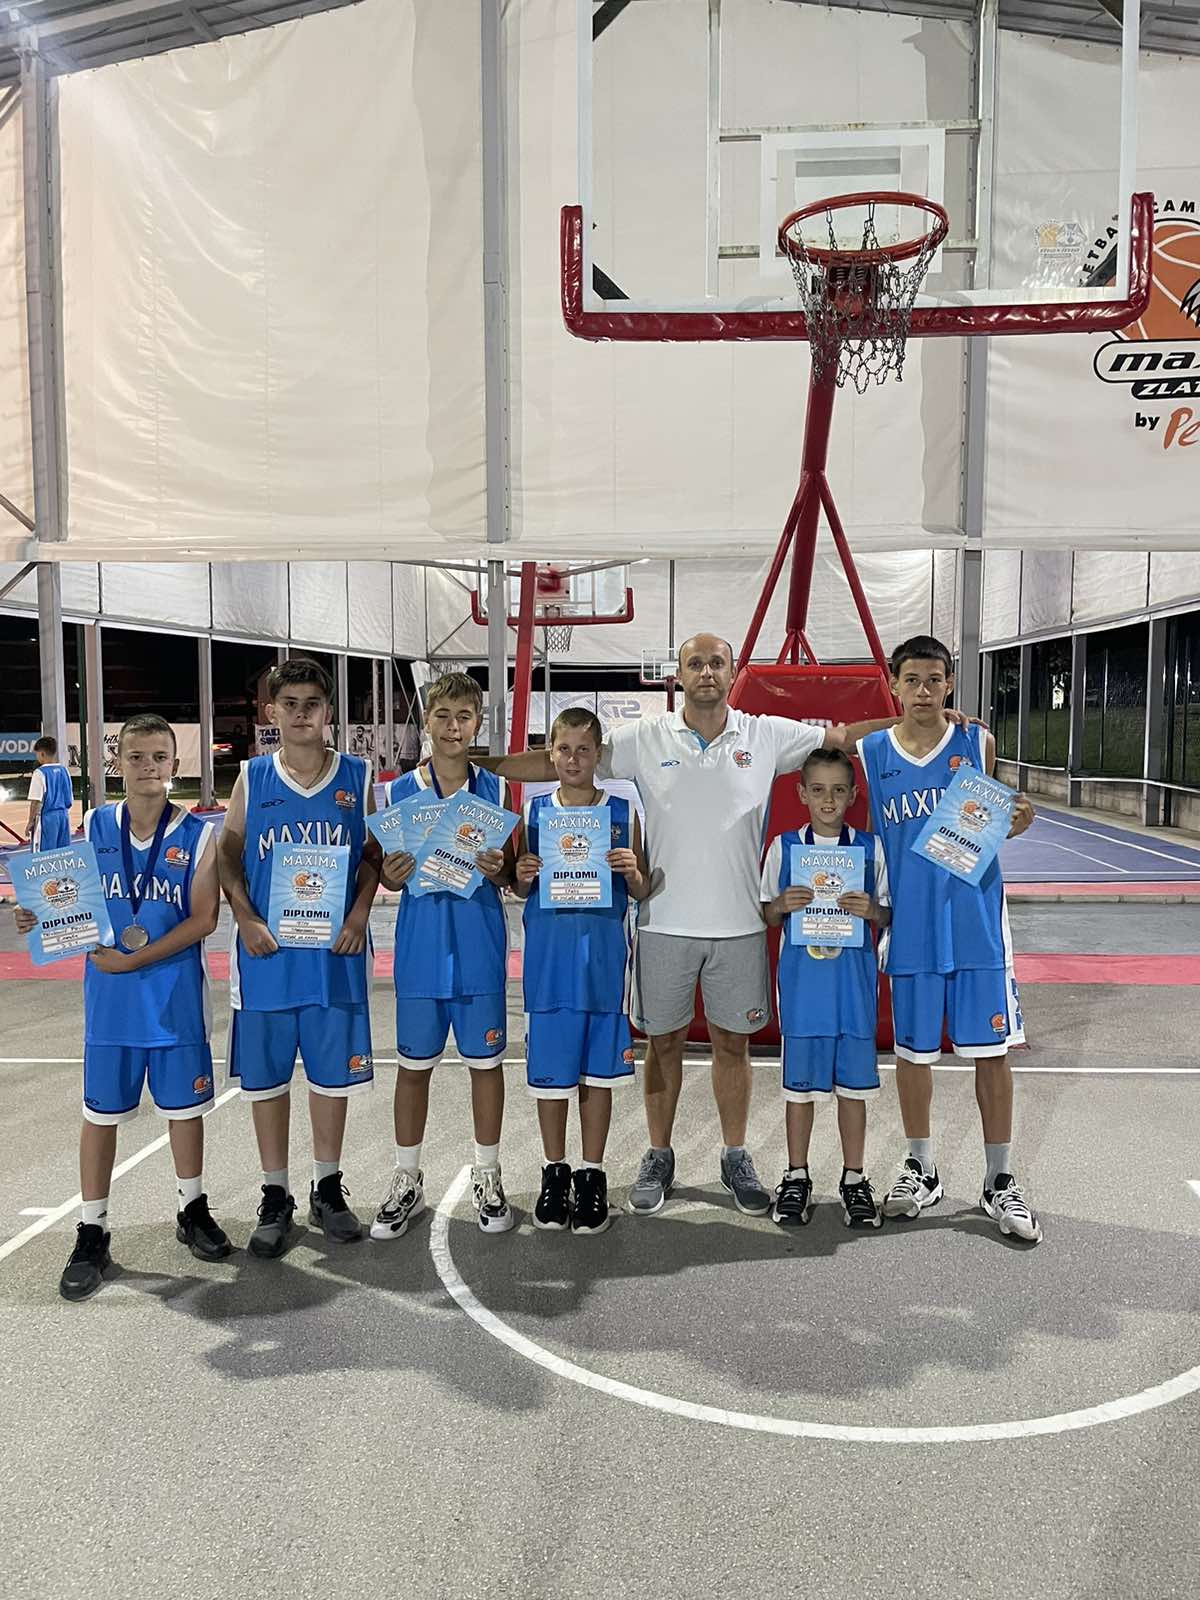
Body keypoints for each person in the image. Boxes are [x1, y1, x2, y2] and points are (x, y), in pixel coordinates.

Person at [480, 632, 945, 1218]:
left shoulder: (764, 733)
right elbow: (557, 760)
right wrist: (473, 763)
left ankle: (734, 1155)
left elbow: (843, 737)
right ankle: (659, 1154)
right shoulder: (645, 737)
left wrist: (920, 720)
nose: (706, 672)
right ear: (678, 674)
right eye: (695, 663)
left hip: (739, 926)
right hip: (663, 923)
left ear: (732, 671)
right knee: (664, 1045)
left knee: (732, 1044)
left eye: (716, 663)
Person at [16, 715, 228, 1300]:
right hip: (109, 1005)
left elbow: (203, 919)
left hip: (174, 1000)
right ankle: (93, 1230)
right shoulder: (93, 825)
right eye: (136, 757)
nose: (148, 767)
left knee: (185, 1112)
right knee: (101, 1117)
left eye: (159, 757)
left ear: (174, 765)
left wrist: (135, 961)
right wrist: (36, 912)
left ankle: (191, 1209)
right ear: (118, 764)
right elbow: (66, 899)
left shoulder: (197, 834)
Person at [857, 635, 1042, 1243]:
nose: (923, 691)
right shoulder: (873, 750)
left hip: (975, 924)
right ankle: (922, 1167)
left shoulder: (976, 742)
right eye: (911, 680)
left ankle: (999, 1179)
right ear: (894, 684)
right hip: (910, 926)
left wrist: (1018, 822)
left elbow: (994, 823)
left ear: (950, 683)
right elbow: (830, 739)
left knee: (993, 1052)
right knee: (913, 1056)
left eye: (934, 680)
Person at [218, 657, 380, 1258]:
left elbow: (373, 856)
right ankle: (275, 1193)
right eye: (290, 704)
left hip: (334, 955)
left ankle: (327, 1187)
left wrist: (359, 914)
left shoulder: (358, 776)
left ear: (328, 710)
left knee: (331, 1078)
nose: (302, 713)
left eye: (312, 703)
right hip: (267, 955)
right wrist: (245, 916)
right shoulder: (253, 776)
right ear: (272, 712)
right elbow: (227, 853)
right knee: (267, 1082)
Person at [369, 672, 518, 1241]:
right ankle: (407, 1177)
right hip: (421, 948)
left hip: (478, 945)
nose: (453, 727)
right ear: (427, 721)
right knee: (413, 1070)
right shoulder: (400, 791)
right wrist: (390, 873)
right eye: (443, 716)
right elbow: (389, 874)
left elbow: (511, 872)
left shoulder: (496, 790)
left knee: (486, 1066)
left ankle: (488, 1173)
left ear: (478, 722)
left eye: (464, 716)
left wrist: (499, 869)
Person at [513, 707, 650, 1235]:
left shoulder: (622, 812)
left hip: (602, 965)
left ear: (598, 755)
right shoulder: (533, 814)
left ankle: (592, 1173)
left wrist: (633, 872)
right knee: (552, 1080)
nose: (573, 759)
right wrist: (523, 876)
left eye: (584, 750)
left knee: (597, 1076)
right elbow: (518, 887)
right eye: (564, 749)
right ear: (551, 754)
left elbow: (641, 888)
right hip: (549, 966)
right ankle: (555, 1171)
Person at [761, 748, 890, 1228]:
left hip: (852, 992)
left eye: (838, 790)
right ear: (802, 794)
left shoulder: (872, 850)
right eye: (818, 790)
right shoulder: (784, 847)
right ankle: (796, 1175)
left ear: (853, 795)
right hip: (803, 992)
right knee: (799, 1093)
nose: (829, 799)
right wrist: (781, 904)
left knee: (853, 1091)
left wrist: (872, 911)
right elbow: (766, 912)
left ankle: (854, 1178)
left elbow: (888, 912)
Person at [25, 736, 73, 852]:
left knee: (44, 855)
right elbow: (69, 798)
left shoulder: (39, 773)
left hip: (47, 818)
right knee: (63, 854)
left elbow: (35, 801)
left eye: (36, 754)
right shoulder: (64, 770)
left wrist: (30, 821)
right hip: (64, 816)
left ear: (42, 754)